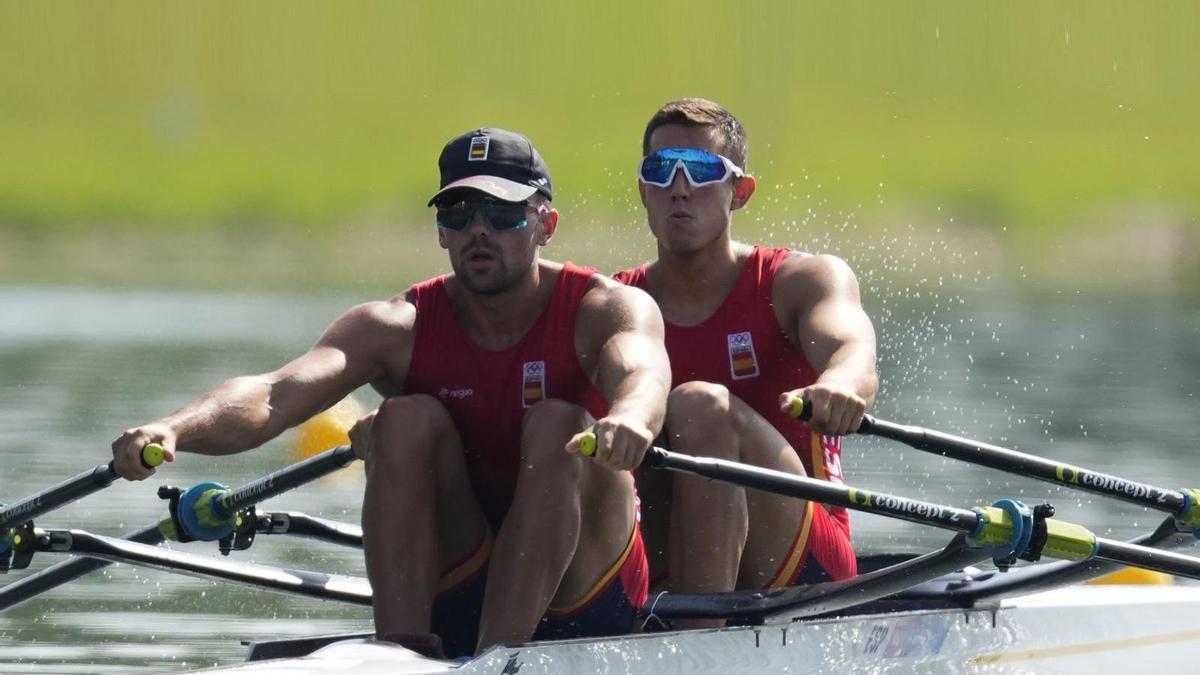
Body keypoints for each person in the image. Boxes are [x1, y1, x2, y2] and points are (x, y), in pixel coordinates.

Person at [112, 127, 671, 655]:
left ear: (545, 225)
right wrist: (174, 429)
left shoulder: (603, 308)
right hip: (463, 578)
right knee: (401, 421)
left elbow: (643, 373)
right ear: (441, 231)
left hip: (588, 589)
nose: (479, 230)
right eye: (459, 212)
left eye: (502, 214)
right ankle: (402, 651)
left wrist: (631, 418)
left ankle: (498, 657)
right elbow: (275, 394)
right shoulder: (395, 326)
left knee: (557, 425)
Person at [613, 99, 878, 622]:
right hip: (668, 546)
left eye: (704, 170)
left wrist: (843, 384)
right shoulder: (618, 303)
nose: (680, 188)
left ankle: (697, 640)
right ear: (644, 190)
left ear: (741, 192)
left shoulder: (799, 281)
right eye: (661, 171)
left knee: (699, 407)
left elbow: (853, 349)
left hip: (805, 566)